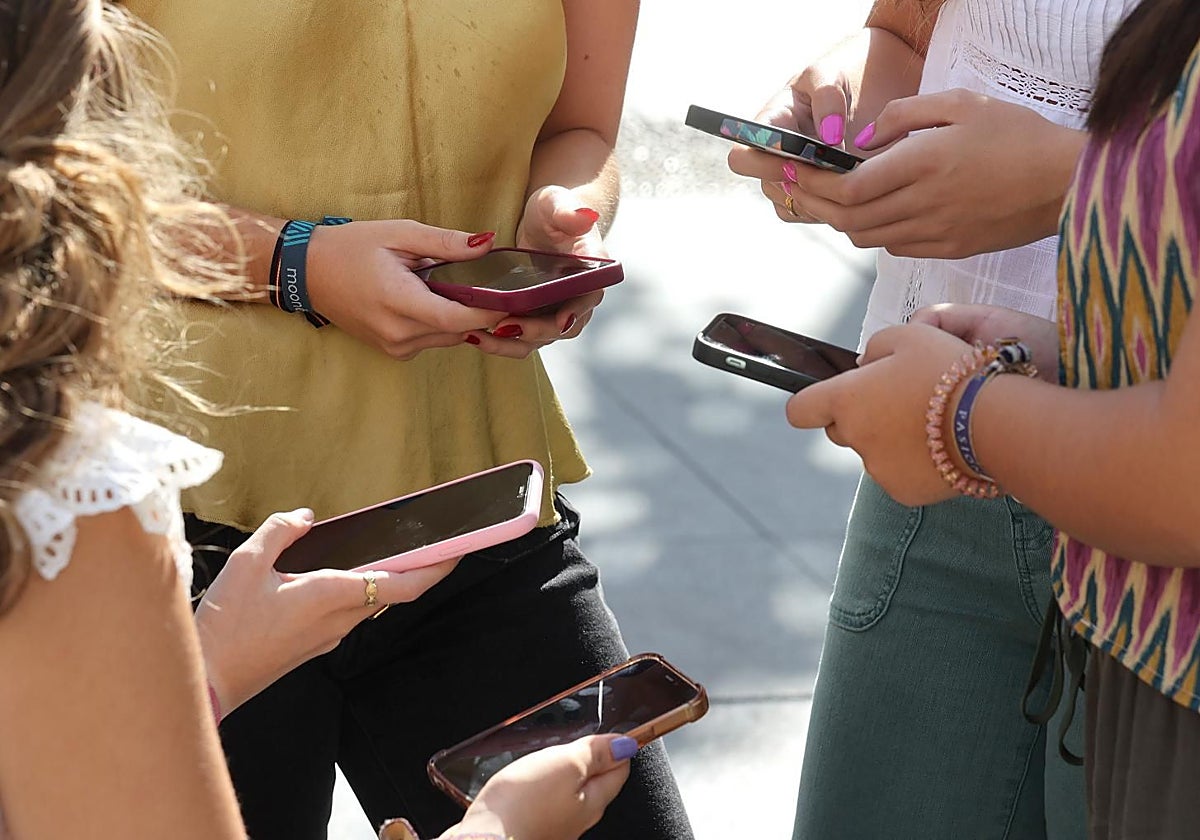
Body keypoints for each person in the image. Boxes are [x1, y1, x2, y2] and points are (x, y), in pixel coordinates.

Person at [0, 3, 640, 839]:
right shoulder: (104, 525)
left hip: (476, 505)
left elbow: (583, 125)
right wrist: (292, 262)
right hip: (187, 539)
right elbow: (38, 182)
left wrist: (565, 222)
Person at [785, 0, 1200, 834]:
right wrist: (852, 114)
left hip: (1151, 562)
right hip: (962, 447)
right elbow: (905, 31)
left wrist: (959, 414)